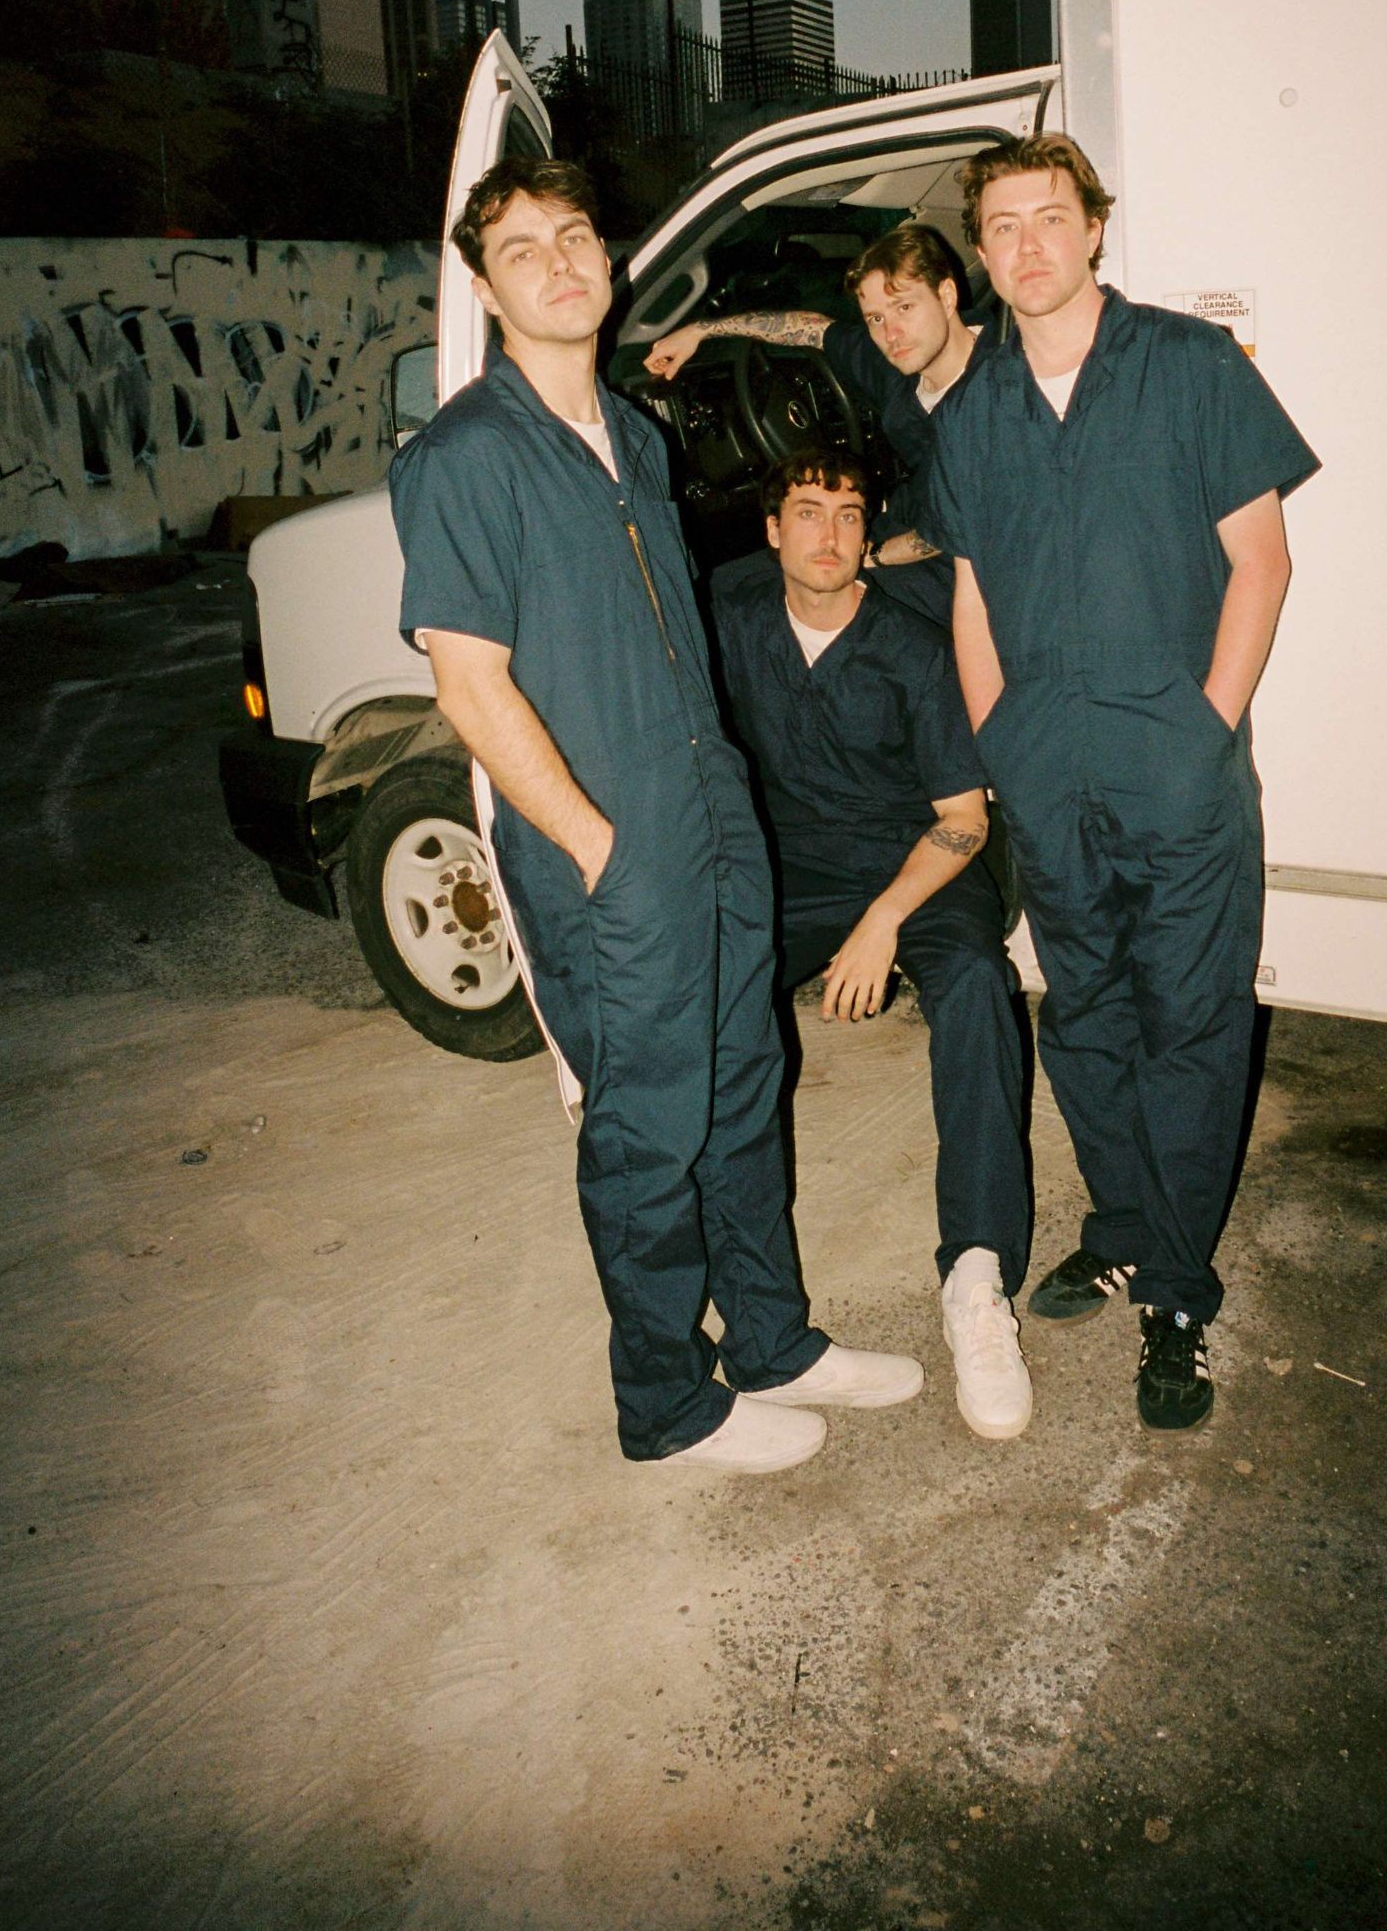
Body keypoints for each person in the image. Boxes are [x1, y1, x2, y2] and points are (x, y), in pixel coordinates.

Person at [387, 151, 923, 1476]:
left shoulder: (634, 435)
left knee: (745, 1084)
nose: (558, 264)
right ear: (486, 289)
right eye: (522, 250)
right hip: (610, 845)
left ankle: (773, 1339)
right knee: (646, 1125)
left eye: (575, 235)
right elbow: (468, 684)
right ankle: (667, 1399)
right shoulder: (465, 456)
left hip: (712, 815)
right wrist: (593, 846)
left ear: (611, 261)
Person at [923, 134, 1320, 1432]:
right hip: (1047, 773)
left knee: (1190, 1027)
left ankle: (1179, 1299)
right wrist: (1001, 743)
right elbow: (970, 594)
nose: (1028, 244)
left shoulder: (1190, 367)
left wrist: (1204, 731)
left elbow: (1261, 560)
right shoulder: (970, 413)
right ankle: (1126, 1227)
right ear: (982, 256)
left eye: (1050, 217)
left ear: (1095, 228)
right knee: (1086, 1018)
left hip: (1176, 773)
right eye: (1002, 226)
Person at [710, 443, 1035, 1441]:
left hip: (917, 862)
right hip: (793, 867)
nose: (830, 535)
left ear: (868, 537)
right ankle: (757, 1315)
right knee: (717, 1001)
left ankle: (977, 1279)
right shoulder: (730, 617)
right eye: (808, 512)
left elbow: (963, 818)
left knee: (977, 984)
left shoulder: (910, 645)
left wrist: (882, 922)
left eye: (849, 516)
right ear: (772, 530)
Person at [644, 222, 995, 619]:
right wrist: (701, 331)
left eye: (904, 308)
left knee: (766, 612)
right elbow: (813, 330)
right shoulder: (901, 362)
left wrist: (869, 556)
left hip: (964, 561)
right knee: (726, 586)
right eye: (875, 318)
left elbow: (951, 528)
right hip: (903, 521)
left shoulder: (1005, 382)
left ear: (946, 296)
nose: (891, 333)